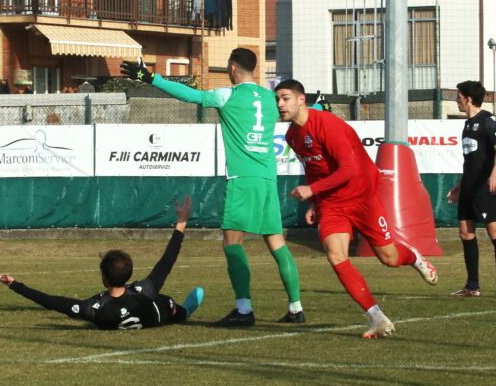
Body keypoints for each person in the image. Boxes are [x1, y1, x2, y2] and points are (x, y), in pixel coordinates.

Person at [121, 48, 304, 327]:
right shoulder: (270, 97)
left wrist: (151, 78)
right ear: (253, 69)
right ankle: (296, 307)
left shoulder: (227, 95)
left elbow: (192, 96)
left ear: (232, 68)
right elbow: (299, 110)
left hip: (242, 179)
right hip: (268, 179)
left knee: (233, 242)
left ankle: (243, 310)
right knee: (277, 243)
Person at [275, 79, 438, 338]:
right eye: (278, 99)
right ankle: (377, 318)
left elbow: (349, 170)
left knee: (390, 258)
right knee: (336, 256)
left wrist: (312, 191)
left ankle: (415, 257)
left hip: (362, 196)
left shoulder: (327, 125)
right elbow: (314, 169)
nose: (280, 104)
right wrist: (315, 202)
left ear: (301, 99)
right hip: (332, 203)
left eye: (285, 98)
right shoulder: (292, 135)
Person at [0, 196, 204, 330]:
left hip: (123, 316)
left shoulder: (94, 309)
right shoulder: (143, 290)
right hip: (155, 316)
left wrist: (14, 284)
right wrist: (181, 223)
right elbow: (166, 262)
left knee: (158, 300)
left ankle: (181, 310)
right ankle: (184, 311)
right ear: (129, 273)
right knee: (166, 303)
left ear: (103, 277)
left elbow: (51, 301)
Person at [447, 81, 496, 297]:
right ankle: (472, 286)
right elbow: (471, 161)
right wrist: (459, 185)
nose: (456, 99)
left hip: (485, 188)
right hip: (468, 187)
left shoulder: (488, 122)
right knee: (466, 233)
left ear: (468, 98)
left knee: (494, 232)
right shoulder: (467, 124)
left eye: (459, 95)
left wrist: (494, 175)